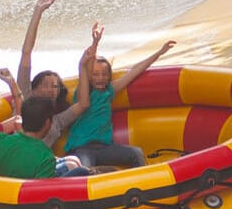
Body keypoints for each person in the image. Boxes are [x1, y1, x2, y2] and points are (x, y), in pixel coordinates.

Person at [65, 36, 177, 168]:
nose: (100, 78)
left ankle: (143, 184)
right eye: (96, 74)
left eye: (104, 74)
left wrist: (159, 52)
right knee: (84, 171)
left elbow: (134, 72)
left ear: (109, 76)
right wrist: (95, 43)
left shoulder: (109, 91)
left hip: (105, 148)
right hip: (82, 148)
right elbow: (85, 72)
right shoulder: (84, 92)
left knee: (136, 153)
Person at [17, 0, 94, 148]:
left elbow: (83, 104)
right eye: (45, 85)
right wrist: (38, 11)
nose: (51, 90)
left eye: (55, 86)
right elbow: (26, 52)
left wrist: (83, 65)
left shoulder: (57, 120)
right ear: (34, 88)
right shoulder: (25, 97)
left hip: (42, 166)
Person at [0, 91, 90, 179]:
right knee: (82, 172)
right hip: (24, 203)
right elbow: (43, 196)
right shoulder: (45, 157)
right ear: (48, 123)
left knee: (74, 162)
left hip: (7, 188)